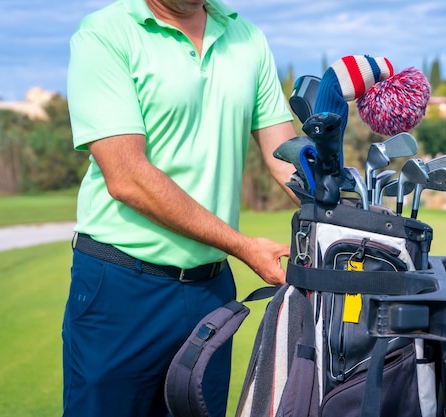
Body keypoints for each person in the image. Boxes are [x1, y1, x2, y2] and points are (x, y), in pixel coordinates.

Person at [62, 0, 298, 416]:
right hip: (121, 285)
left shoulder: (246, 36)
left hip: (211, 292)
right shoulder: (105, 32)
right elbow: (127, 177)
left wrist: (349, 212)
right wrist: (242, 246)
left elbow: (286, 157)